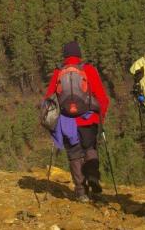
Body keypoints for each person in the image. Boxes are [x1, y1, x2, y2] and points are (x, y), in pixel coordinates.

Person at [44, 41, 109, 202]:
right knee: (90, 149)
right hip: (88, 119)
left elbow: (49, 98)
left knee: (74, 155)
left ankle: (81, 191)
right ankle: (93, 176)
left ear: (65, 55)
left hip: (67, 122)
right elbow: (102, 97)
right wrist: (100, 117)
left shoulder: (59, 71)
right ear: (79, 54)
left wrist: (51, 121)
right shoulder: (88, 69)